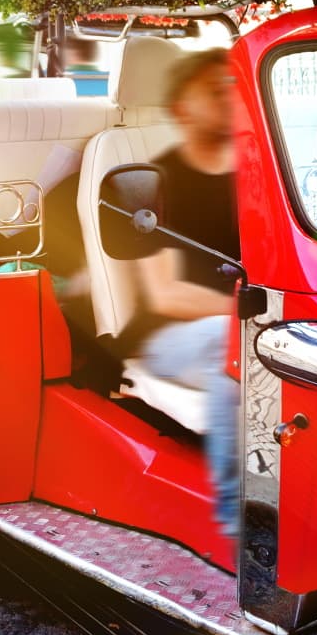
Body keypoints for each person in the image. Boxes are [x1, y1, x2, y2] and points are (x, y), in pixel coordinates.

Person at [129, 48, 243, 534]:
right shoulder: (155, 182)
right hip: (170, 337)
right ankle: (239, 519)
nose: (228, 97)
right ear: (181, 108)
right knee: (234, 353)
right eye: (213, 90)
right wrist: (251, 313)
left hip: (253, 320)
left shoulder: (258, 176)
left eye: (233, 87)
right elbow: (165, 294)